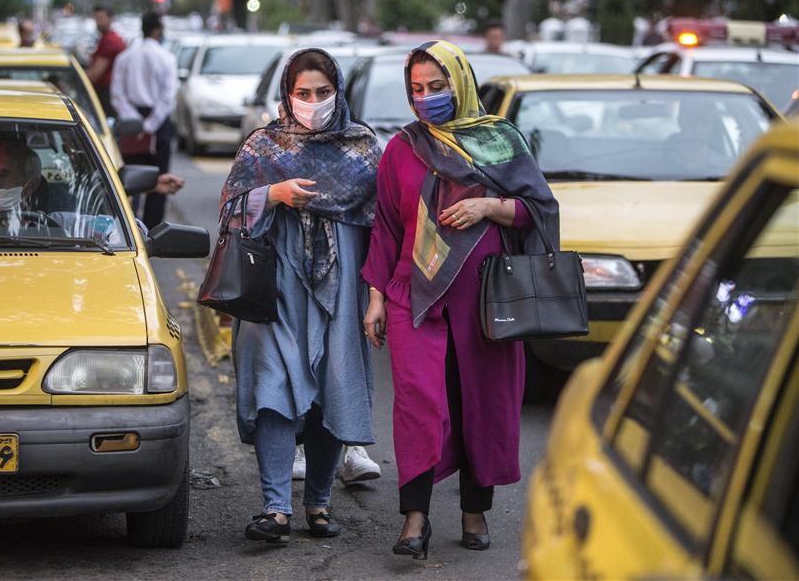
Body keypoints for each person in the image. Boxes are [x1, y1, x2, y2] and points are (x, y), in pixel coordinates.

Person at [361, 40, 558, 560]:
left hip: (484, 301)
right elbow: (383, 226)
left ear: (460, 82)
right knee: (417, 403)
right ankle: (415, 519)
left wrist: (489, 207)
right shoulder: (403, 147)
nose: (426, 98)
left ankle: (475, 510)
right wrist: (376, 296)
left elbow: (539, 209)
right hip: (413, 297)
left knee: (482, 402)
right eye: (417, 89)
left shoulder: (500, 140)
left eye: (436, 86)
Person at [219, 49, 380, 544]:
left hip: (343, 288)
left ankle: (318, 503)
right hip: (277, 284)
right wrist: (275, 194)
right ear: (287, 96)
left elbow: (384, 226)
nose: (313, 102)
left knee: (333, 388)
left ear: (339, 92)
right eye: (302, 94)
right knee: (274, 389)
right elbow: (228, 212)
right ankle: (275, 508)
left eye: (323, 93)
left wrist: (378, 297)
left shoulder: (365, 147)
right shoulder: (263, 147)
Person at [111, 11, 177, 230]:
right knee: (160, 179)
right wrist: (150, 125)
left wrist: (134, 122)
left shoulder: (125, 57)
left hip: (130, 123)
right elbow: (167, 98)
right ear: (158, 30)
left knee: (130, 180)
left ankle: (127, 227)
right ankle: (153, 232)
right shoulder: (166, 57)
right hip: (157, 124)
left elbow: (117, 94)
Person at [86, 6, 127, 118]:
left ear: (110, 19)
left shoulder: (110, 41)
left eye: (101, 18)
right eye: (96, 18)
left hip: (107, 95)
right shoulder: (106, 39)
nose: (98, 22)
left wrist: (78, 81)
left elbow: (95, 74)